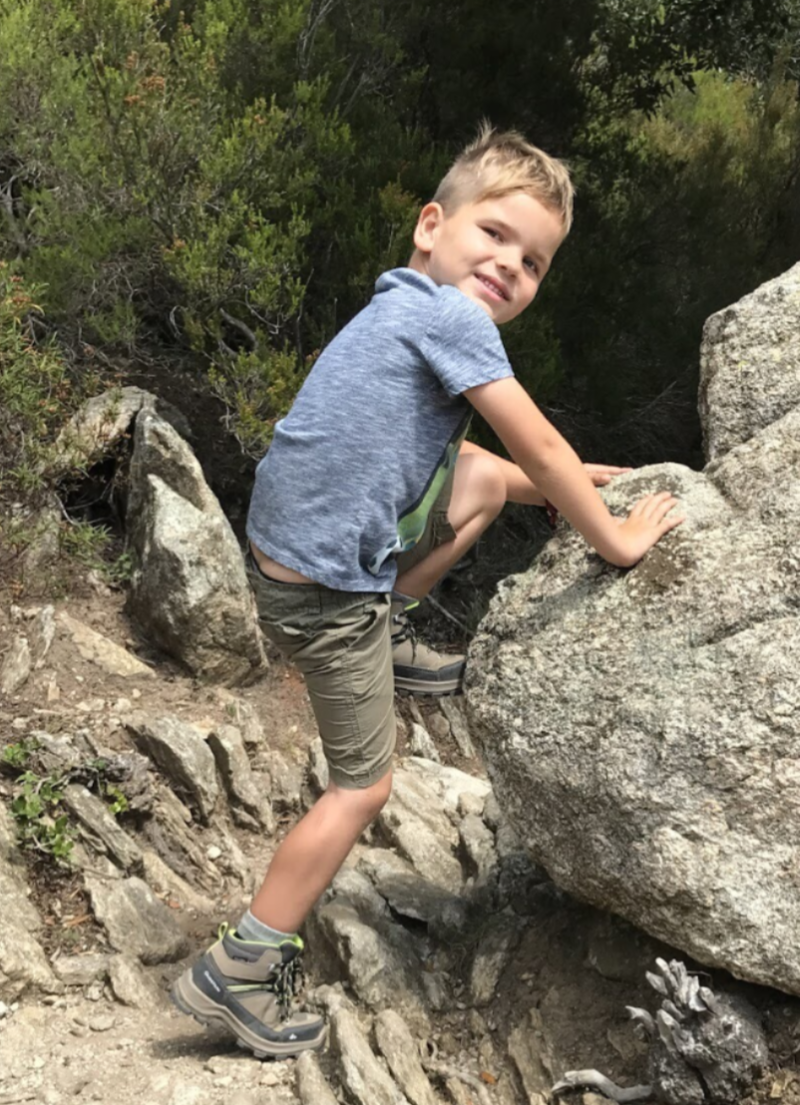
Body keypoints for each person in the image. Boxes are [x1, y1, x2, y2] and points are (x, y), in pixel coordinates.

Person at [171, 124, 684, 1056]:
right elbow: (538, 443)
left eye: (532, 261)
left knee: (479, 476)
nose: (509, 265)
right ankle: (242, 964)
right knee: (363, 787)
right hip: (327, 596)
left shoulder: (401, 301)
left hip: (295, 556)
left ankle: (392, 627)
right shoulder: (456, 320)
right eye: (495, 234)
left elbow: (504, 465)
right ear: (431, 225)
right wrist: (612, 535)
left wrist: (575, 481)